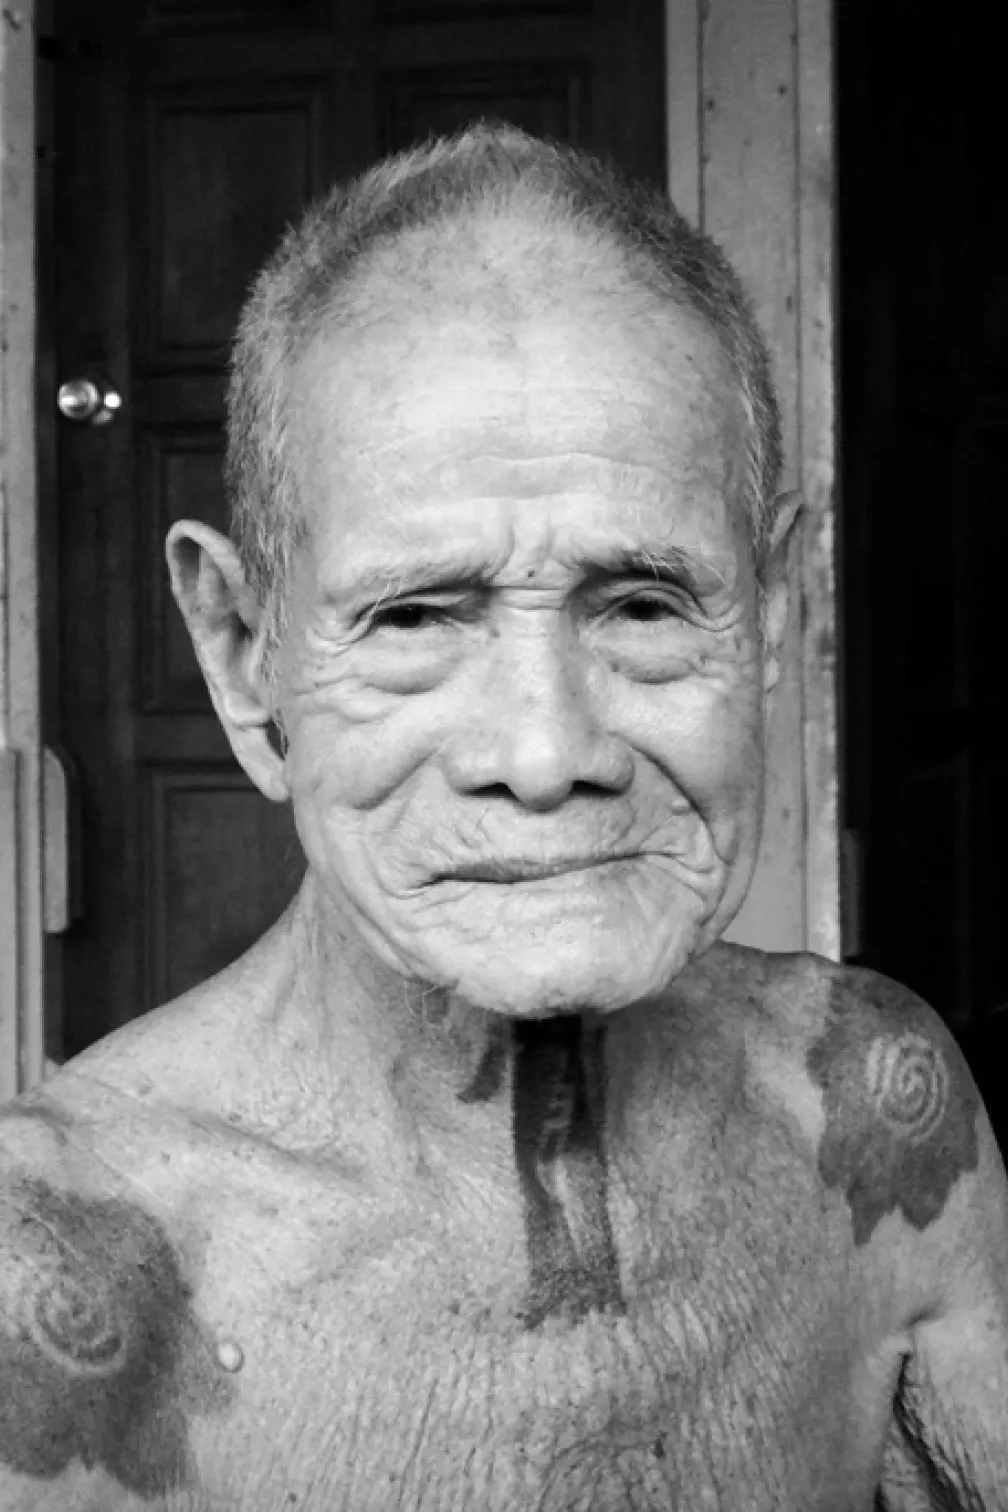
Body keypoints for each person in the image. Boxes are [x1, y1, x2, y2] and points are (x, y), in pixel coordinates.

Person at [2, 123, 1006, 1512]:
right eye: (415, 616)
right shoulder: (65, 1280)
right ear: (243, 656)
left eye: (644, 605)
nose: (546, 755)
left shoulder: (878, 1116)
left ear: (774, 617)